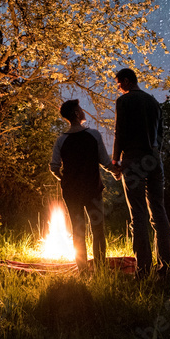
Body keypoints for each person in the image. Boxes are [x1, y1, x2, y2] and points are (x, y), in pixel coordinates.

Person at [111, 67, 170, 279]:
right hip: (154, 158)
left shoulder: (124, 101)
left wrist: (115, 160)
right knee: (159, 212)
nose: (118, 87)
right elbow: (161, 133)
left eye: (119, 83)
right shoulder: (154, 102)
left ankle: (143, 270)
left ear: (127, 81)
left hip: (134, 159)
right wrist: (155, 153)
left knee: (138, 214)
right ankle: (165, 268)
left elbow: (120, 131)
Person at [50, 98, 113, 272]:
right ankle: (99, 267)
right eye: (80, 108)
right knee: (98, 229)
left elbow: (54, 167)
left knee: (78, 231)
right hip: (92, 190)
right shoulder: (93, 135)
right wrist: (116, 170)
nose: (83, 111)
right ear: (77, 114)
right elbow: (105, 162)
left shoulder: (61, 140)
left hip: (71, 192)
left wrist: (64, 180)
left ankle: (83, 270)